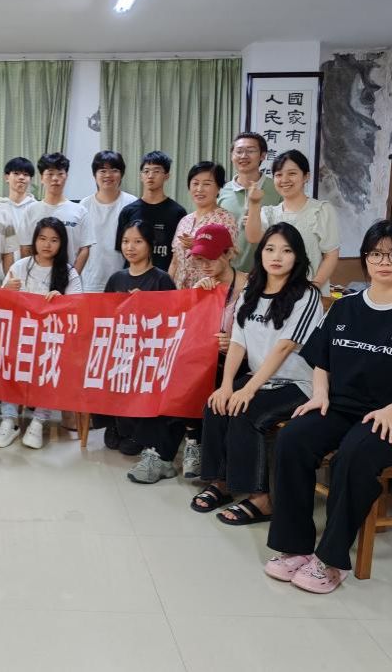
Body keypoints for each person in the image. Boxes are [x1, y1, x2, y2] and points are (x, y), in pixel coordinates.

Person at [265, 220, 392, 594]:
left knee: (354, 454)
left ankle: (331, 560)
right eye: (376, 254)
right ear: (366, 258)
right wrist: (319, 394)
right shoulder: (345, 306)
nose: (384, 262)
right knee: (293, 440)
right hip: (341, 408)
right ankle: (295, 547)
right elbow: (321, 361)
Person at [190, 223, 322, 526]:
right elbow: (238, 340)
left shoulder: (307, 294)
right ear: (260, 253)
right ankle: (221, 482)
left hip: (297, 383)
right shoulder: (251, 290)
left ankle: (261, 499)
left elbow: (285, 346)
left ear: (297, 257)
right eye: (270, 249)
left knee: (245, 410)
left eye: (286, 251)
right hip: (260, 377)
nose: (277, 257)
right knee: (216, 404)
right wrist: (226, 386)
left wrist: (248, 389)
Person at [93, 220, 183, 483]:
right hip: (120, 350)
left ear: (150, 245)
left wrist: (146, 305)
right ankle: (116, 423)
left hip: (149, 355)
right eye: (125, 241)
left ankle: (138, 432)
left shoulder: (161, 279)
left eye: (137, 242)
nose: (130, 247)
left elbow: (172, 321)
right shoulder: (116, 278)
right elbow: (105, 315)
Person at [0, 217, 83, 449]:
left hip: (52, 339)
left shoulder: (69, 273)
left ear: (62, 244)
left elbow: (78, 309)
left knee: (53, 361)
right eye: (42, 238)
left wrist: (63, 301)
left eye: (54, 240)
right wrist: (6, 290)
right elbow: (1, 305)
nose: (47, 245)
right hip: (20, 336)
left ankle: (39, 421)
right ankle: (9, 420)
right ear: (34, 240)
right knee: (5, 357)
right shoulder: (20, 266)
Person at [182, 224, 249, 478]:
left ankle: (208, 456)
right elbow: (191, 330)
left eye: (211, 257)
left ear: (229, 254)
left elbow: (262, 333)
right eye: (200, 259)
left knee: (204, 379)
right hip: (210, 358)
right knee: (182, 371)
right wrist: (198, 297)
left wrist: (235, 342)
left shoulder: (251, 287)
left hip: (244, 361)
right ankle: (192, 442)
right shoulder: (205, 286)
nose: (205, 265)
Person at [245, 149, 340, 295]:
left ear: (306, 176)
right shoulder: (269, 212)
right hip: (274, 294)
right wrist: (254, 203)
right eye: (278, 175)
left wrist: (312, 288)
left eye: (292, 173)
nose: (284, 180)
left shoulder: (321, 210)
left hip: (310, 294)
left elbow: (331, 256)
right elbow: (253, 237)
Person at [18, 153, 95, 274]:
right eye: (50, 174)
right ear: (42, 178)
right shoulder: (30, 211)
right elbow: (25, 247)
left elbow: (84, 249)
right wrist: (33, 275)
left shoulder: (80, 211)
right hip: (36, 278)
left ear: (66, 176)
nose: (55, 178)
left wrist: (72, 277)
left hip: (68, 277)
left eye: (60, 174)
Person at [216, 132, 281, 272]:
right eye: (239, 151)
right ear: (232, 156)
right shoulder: (221, 191)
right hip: (228, 271)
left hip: (268, 271)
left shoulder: (277, 189)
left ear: (263, 155)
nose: (244, 156)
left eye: (250, 151)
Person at [169, 162, 238, 290]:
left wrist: (199, 245)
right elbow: (175, 262)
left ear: (219, 188)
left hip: (208, 290)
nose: (199, 189)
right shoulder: (185, 220)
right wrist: (168, 289)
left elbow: (227, 258)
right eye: (195, 183)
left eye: (207, 184)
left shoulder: (225, 219)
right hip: (180, 293)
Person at [116, 151, 186, 273]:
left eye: (156, 171)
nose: (150, 175)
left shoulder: (177, 212)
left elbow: (179, 253)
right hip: (134, 278)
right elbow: (122, 248)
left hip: (164, 279)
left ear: (167, 176)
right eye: (146, 171)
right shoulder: (128, 211)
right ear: (141, 176)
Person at [80, 150, 137, 293]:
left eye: (114, 170)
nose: (108, 175)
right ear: (94, 175)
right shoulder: (84, 205)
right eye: (102, 171)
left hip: (124, 281)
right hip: (90, 281)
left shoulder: (132, 203)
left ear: (121, 174)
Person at [0, 156, 37, 260]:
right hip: (3, 264)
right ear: (7, 177)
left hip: (31, 264)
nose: (21, 177)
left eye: (26, 174)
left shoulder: (37, 208)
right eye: (16, 173)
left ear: (30, 179)